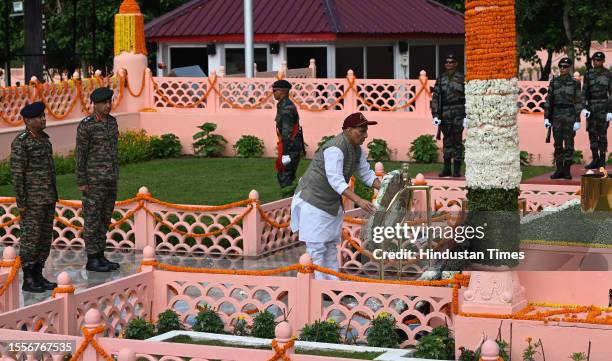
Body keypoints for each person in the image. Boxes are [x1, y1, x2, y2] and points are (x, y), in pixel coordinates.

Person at [290, 112, 381, 280]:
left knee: (331, 246)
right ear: (348, 130)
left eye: (366, 130)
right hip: (313, 201)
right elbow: (336, 180)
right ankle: (318, 288)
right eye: (361, 131)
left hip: (330, 204)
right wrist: (359, 201)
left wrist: (385, 188)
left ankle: (332, 286)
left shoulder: (357, 150)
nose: (366, 135)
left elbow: (366, 174)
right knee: (316, 249)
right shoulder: (335, 149)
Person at [10, 102, 58, 292]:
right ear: (28, 120)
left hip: (47, 198)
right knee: (31, 239)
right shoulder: (21, 142)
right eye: (39, 117)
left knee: (45, 239)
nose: (43, 119)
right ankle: (29, 279)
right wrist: (22, 202)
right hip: (32, 201)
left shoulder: (45, 139)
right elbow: (17, 174)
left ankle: (39, 274)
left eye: (44, 115)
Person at [75, 87, 120, 272]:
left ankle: (100, 255)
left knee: (104, 218)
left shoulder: (112, 122)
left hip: (110, 179)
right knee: (92, 219)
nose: (108, 106)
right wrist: (82, 180)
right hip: (93, 181)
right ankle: (92, 258)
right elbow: (80, 155)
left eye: (110, 102)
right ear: (95, 104)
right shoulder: (87, 125)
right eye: (104, 103)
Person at [543, 58, 583, 180]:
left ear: (569, 67)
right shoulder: (554, 82)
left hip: (570, 115)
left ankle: (566, 171)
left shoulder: (575, 83)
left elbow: (578, 101)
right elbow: (549, 100)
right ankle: (559, 170)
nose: (562, 69)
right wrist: (546, 118)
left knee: (569, 145)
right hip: (556, 116)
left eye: (565, 66)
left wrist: (577, 120)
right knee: (558, 145)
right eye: (560, 66)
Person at [431, 54, 467, 177]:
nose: (449, 64)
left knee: (457, 141)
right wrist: (435, 115)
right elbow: (435, 97)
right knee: (447, 141)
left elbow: (468, 97)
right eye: (447, 62)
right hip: (445, 112)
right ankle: (446, 168)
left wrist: (467, 116)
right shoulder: (441, 79)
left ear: (456, 64)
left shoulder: (462, 78)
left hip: (459, 111)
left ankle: (457, 169)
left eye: (451, 62)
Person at [273, 79, 304, 196]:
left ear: (283, 91)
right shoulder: (281, 104)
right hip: (288, 146)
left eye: (275, 91)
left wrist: (285, 154)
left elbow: (287, 133)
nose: (273, 93)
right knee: (283, 174)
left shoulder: (287, 108)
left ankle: (288, 203)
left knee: (286, 176)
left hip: (290, 148)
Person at [582, 51, 612, 169]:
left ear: (603, 61)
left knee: (602, 134)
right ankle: (595, 159)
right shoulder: (588, 74)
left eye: (598, 60)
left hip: (604, 107)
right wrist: (583, 107)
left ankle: (602, 160)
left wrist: (610, 110)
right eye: (594, 60)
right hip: (591, 108)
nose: (596, 62)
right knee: (592, 134)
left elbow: (611, 93)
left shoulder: (608, 74)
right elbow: (584, 91)